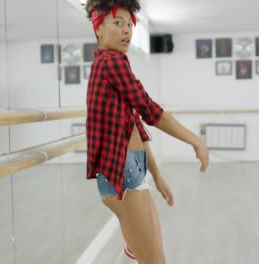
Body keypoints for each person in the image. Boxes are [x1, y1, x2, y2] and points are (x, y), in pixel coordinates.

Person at [84, 0, 209, 263]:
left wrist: (157, 176)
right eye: (118, 23)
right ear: (98, 28)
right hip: (124, 178)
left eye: (130, 25)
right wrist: (195, 140)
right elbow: (150, 110)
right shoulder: (111, 63)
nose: (127, 31)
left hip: (129, 174)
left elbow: (134, 126)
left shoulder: (112, 64)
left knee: (139, 254)